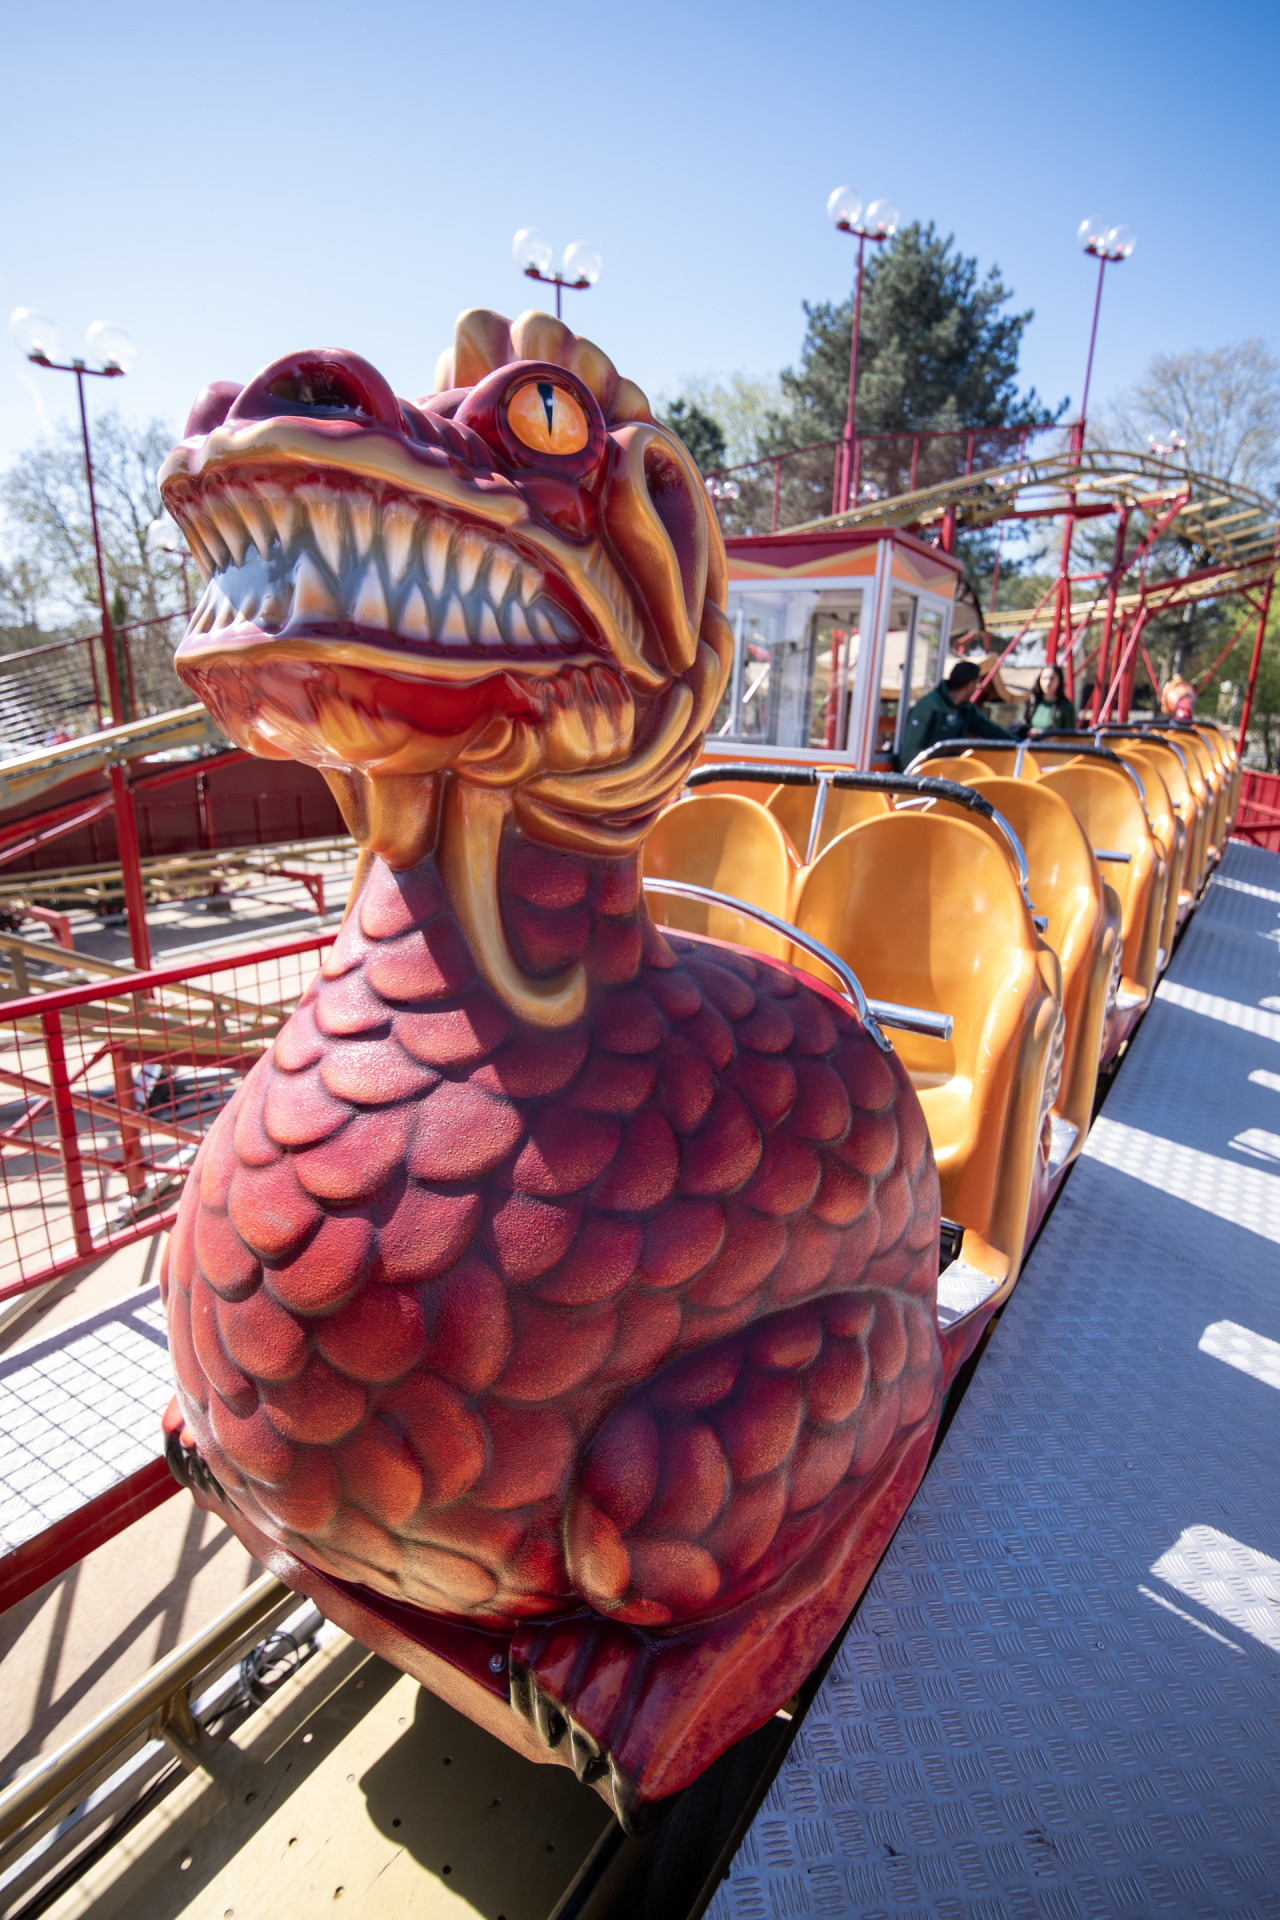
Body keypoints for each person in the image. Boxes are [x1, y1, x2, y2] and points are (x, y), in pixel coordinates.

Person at [897, 659, 1014, 769]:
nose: (976, 689)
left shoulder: (966, 710)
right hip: (924, 777)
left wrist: (1019, 743)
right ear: (970, 685)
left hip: (950, 774)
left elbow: (992, 731)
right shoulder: (928, 706)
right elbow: (909, 751)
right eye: (977, 684)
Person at [1024, 662, 1077, 733]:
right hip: (1031, 743)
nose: (1048, 683)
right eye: (1044, 678)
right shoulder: (1033, 702)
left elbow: (1070, 736)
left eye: (1052, 679)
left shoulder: (1066, 706)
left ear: (1059, 681)